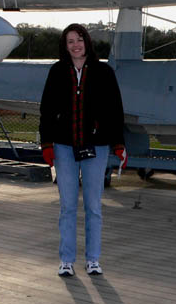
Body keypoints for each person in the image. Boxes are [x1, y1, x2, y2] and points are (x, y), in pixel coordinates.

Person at [39, 23, 126, 277]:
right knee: (67, 206)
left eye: (79, 40)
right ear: (65, 46)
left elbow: (115, 110)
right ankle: (66, 260)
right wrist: (47, 144)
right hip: (64, 148)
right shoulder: (57, 72)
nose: (75, 45)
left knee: (93, 206)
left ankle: (93, 260)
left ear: (87, 42)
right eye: (70, 41)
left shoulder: (104, 72)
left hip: (96, 148)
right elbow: (46, 110)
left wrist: (118, 143)